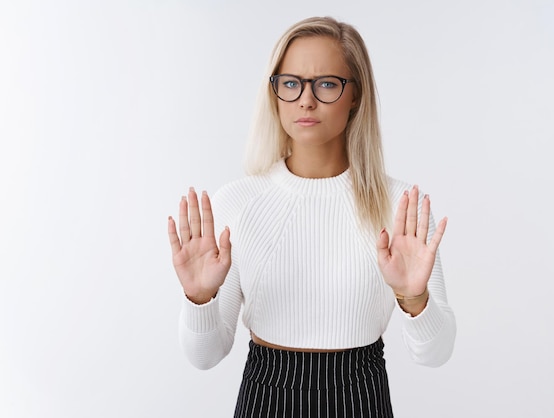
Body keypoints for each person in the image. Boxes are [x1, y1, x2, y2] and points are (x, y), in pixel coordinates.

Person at [167, 16, 456, 417]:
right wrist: (199, 299)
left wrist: (414, 298)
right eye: (291, 83)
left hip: (362, 399)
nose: (306, 100)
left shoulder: (398, 208)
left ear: (355, 94)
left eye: (325, 83)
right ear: (275, 93)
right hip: (265, 399)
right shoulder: (238, 202)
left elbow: (436, 354)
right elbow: (205, 356)